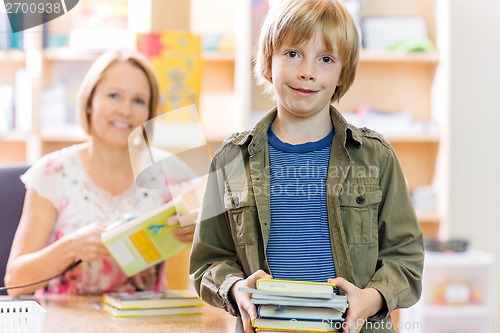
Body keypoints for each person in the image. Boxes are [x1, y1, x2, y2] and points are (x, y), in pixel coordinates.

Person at [189, 1, 424, 333]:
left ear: (343, 74)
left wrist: (368, 299)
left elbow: (406, 259)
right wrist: (234, 288)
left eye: (325, 59)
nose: (307, 72)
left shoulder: (376, 156)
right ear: (268, 62)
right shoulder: (231, 159)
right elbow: (207, 261)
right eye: (293, 54)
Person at [5, 49, 197, 297]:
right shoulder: (52, 173)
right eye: (114, 96)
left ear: (150, 113)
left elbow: (203, 267)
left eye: (139, 101)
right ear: (89, 102)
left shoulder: (172, 172)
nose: (125, 110)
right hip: (65, 323)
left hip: (144, 322)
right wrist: (71, 247)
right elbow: (15, 281)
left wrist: (200, 233)